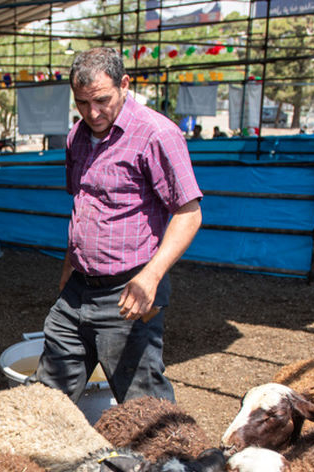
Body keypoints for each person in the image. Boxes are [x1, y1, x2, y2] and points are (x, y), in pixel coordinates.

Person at [32, 47, 202, 406]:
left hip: (129, 290)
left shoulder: (156, 134)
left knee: (145, 406)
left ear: (124, 84)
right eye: (82, 103)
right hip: (78, 290)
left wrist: (151, 276)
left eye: (102, 101)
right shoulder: (77, 136)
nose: (92, 113)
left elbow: (189, 212)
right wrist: (69, 267)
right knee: (46, 399)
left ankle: (166, 445)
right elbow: (84, 206)